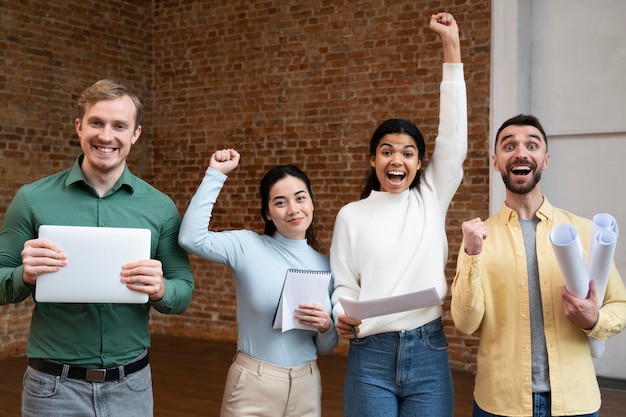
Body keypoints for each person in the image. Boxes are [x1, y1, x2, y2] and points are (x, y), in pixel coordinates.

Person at [0, 79, 194, 417]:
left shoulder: (160, 207)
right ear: (79, 126)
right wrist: (25, 275)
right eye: (96, 123)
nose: (106, 136)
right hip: (52, 388)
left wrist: (162, 288)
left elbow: (183, 290)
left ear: (135, 134)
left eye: (119, 126)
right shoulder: (31, 199)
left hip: (130, 388)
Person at [330, 12, 466, 417]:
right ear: (373, 159)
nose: (397, 160)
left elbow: (454, 134)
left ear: (420, 163)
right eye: (387, 150)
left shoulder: (430, 197)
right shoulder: (351, 215)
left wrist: (451, 46)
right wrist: (342, 314)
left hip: (428, 349)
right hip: (370, 352)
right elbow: (343, 285)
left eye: (408, 153)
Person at [451, 114, 626, 417]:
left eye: (531, 145)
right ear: (496, 162)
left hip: (575, 403)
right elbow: (466, 324)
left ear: (545, 160)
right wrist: (472, 254)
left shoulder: (584, 231)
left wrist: (594, 319)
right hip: (500, 403)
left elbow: (620, 304)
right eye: (509, 146)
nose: (520, 152)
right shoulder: (477, 239)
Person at [178, 149, 338, 417]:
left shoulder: (327, 266)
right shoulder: (247, 246)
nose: (293, 209)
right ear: (267, 213)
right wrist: (215, 174)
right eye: (280, 202)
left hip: (307, 384)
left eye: (300, 198)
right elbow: (191, 238)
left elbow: (325, 346)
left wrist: (325, 326)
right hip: (254, 383)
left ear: (311, 203)